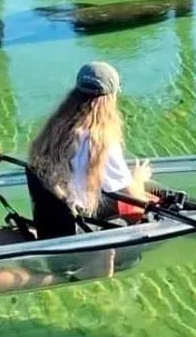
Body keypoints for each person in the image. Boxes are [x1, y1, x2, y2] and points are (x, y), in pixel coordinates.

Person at [27, 61, 152, 239]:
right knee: (143, 210)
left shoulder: (51, 132)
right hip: (81, 234)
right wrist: (138, 178)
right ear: (110, 98)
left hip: (53, 228)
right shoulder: (100, 142)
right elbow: (137, 201)